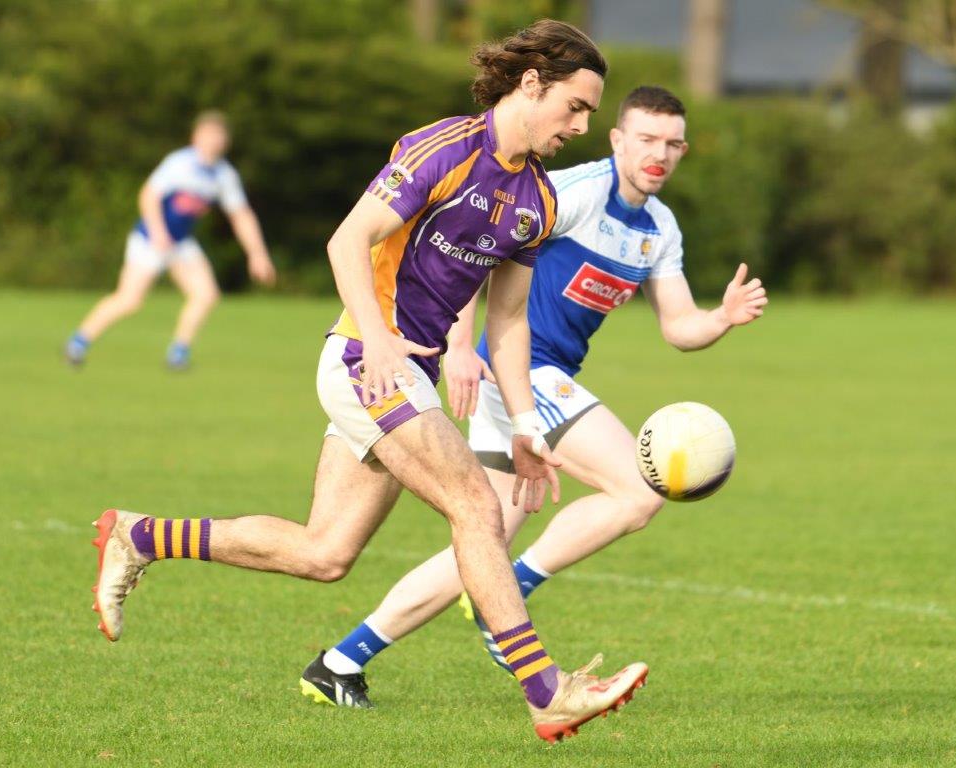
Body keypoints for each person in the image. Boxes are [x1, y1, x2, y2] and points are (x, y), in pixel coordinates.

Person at [90, 20, 647, 743]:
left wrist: (526, 424)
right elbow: (346, 240)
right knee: (476, 506)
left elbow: (509, 324)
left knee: (326, 552)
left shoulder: (539, 203)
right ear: (532, 84)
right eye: (575, 106)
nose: (580, 125)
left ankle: (139, 535)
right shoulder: (442, 147)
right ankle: (547, 694)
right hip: (364, 359)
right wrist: (379, 337)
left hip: (402, 375)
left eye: (589, 115)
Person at [321, 86, 768, 687]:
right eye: (646, 139)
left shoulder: (660, 226)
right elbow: (471, 254)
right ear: (618, 140)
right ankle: (517, 590)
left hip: (536, 385)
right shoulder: (573, 193)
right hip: (524, 376)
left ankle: (340, 663)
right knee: (639, 491)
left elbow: (679, 327)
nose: (659, 154)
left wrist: (720, 318)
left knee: (484, 544)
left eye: (673, 144)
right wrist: (458, 348)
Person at [65, 111, 276, 371]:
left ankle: (178, 353)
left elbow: (241, 214)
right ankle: (78, 342)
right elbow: (148, 195)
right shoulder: (180, 163)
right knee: (129, 299)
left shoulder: (223, 175)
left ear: (226, 141)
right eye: (208, 134)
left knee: (206, 294)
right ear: (196, 136)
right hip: (149, 240)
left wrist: (257, 253)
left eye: (219, 136)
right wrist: (158, 231)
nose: (213, 141)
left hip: (181, 243)